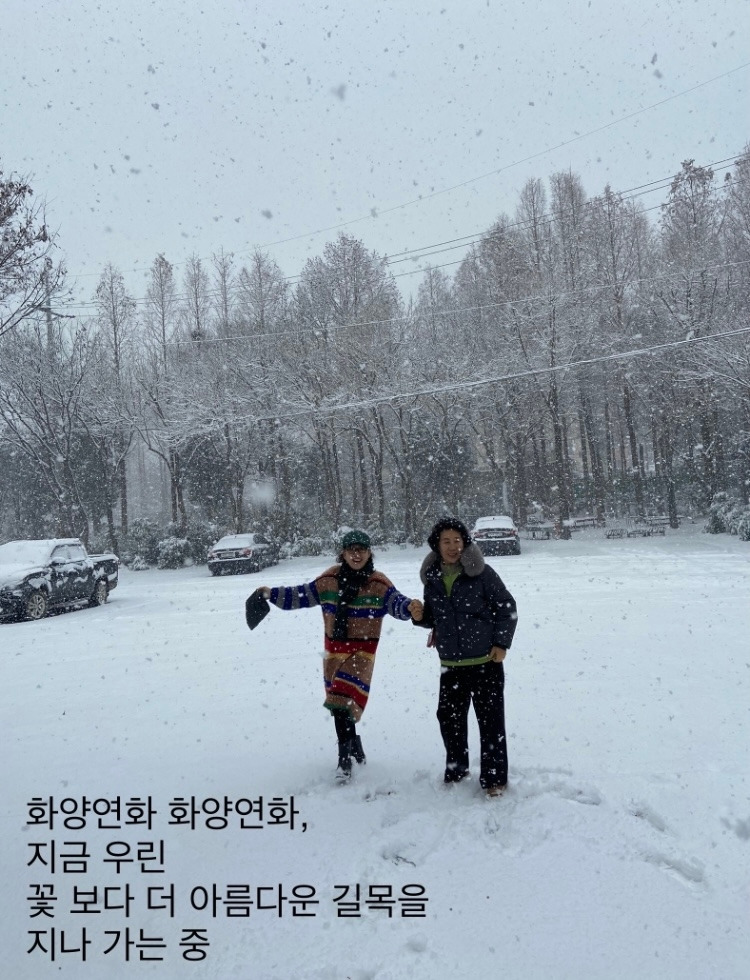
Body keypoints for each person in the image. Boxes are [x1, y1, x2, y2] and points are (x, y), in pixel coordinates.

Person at [251, 530, 423, 782]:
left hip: (362, 655)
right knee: (340, 706)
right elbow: (301, 595)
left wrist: (410, 607)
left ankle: (344, 761)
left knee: (340, 700)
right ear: (343, 553)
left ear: (369, 553)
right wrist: (270, 593)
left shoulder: (378, 583)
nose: (356, 555)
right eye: (351, 550)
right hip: (333, 655)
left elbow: (396, 602)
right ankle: (355, 748)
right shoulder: (329, 580)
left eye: (362, 550)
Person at [414, 517, 518, 798]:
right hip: (451, 665)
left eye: (457, 541)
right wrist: (420, 616)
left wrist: (501, 643)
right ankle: (456, 771)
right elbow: (434, 617)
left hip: (486, 662)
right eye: (446, 541)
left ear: (465, 542)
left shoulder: (482, 573)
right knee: (449, 720)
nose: (452, 547)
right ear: (437, 545)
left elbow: (507, 607)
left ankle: (494, 779)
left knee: (491, 723)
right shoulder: (432, 578)